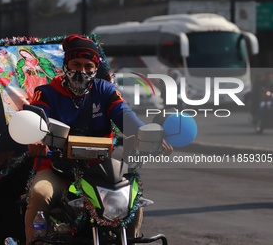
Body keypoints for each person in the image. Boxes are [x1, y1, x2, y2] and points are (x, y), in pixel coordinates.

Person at [25, 34, 173, 244]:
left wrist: (148, 136)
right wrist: (35, 138)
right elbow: (36, 119)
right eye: (76, 64)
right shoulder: (46, 93)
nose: (81, 71)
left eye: (88, 66)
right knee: (40, 193)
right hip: (56, 168)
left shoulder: (106, 91)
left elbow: (127, 118)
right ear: (65, 64)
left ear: (95, 68)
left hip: (99, 172)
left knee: (133, 200)